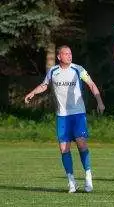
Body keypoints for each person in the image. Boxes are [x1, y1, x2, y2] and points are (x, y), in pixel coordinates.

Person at [24, 45, 105, 193]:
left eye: (70, 53)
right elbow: (44, 85)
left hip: (78, 114)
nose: (69, 55)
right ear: (59, 57)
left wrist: (99, 101)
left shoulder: (78, 69)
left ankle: (88, 177)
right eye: (66, 53)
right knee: (63, 148)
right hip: (62, 116)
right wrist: (32, 93)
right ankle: (71, 182)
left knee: (81, 144)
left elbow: (91, 84)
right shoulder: (53, 71)